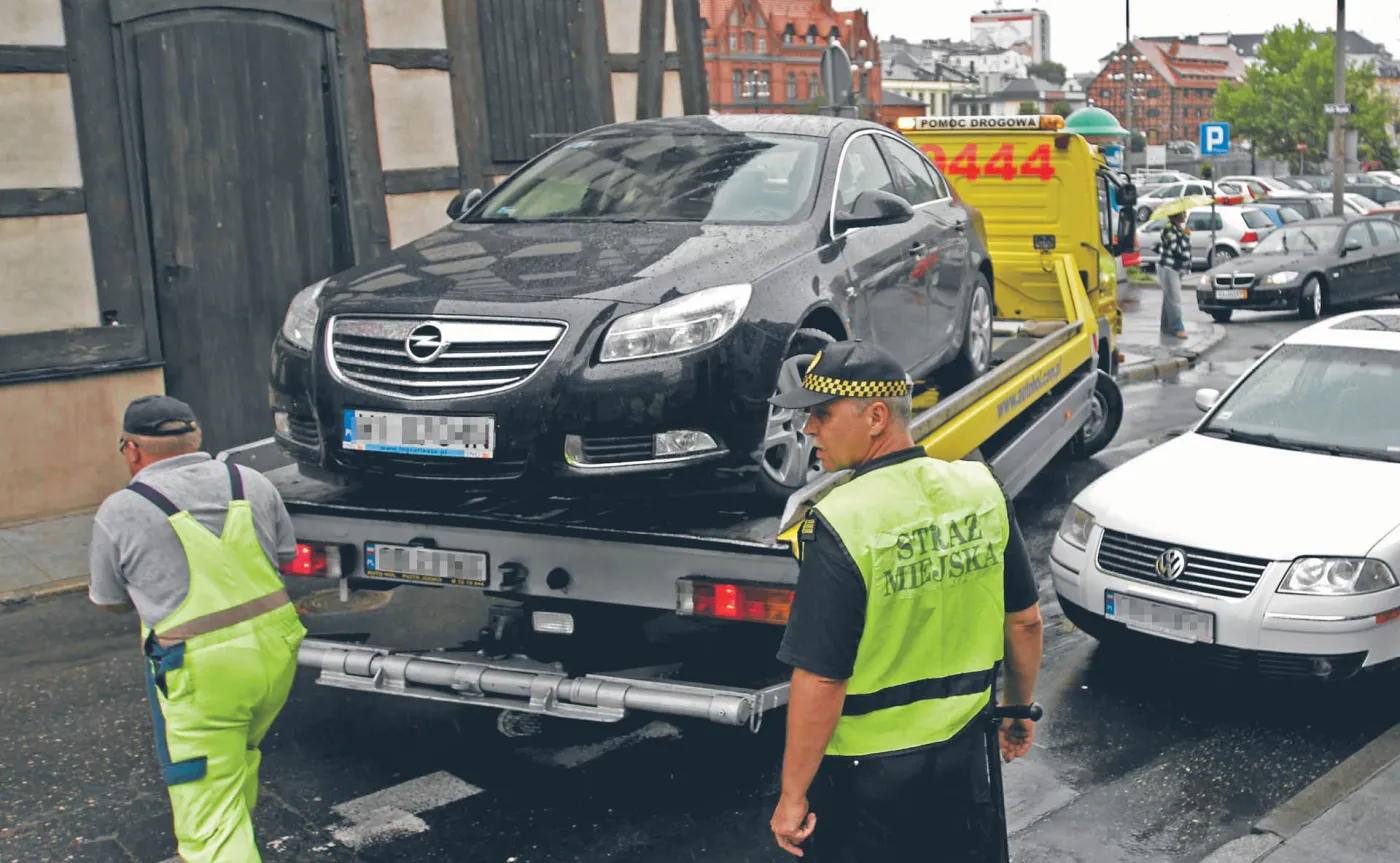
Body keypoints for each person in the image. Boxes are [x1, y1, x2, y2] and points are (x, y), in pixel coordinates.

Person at [764, 341, 1044, 861]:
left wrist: (793, 794)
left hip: (866, 783)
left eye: (821, 414)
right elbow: (1025, 622)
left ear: (875, 417)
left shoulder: (843, 521)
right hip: (966, 761)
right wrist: (1015, 707)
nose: (809, 430)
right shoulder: (981, 489)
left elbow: (823, 677)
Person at [88, 395, 306, 863]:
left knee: (208, 810)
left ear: (131, 449)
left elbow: (108, 602)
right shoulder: (250, 481)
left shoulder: (121, 509)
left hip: (204, 671)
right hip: (276, 649)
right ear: (197, 438)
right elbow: (284, 558)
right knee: (238, 756)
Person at [1158, 211, 1191, 339]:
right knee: (1174, 299)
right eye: (1183, 213)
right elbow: (1176, 249)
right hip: (1168, 267)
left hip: (1176, 268)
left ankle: (1166, 327)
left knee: (1169, 298)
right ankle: (1178, 328)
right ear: (1177, 216)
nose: (1185, 215)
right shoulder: (1168, 230)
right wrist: (1186, 237)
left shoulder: (1178, 229)